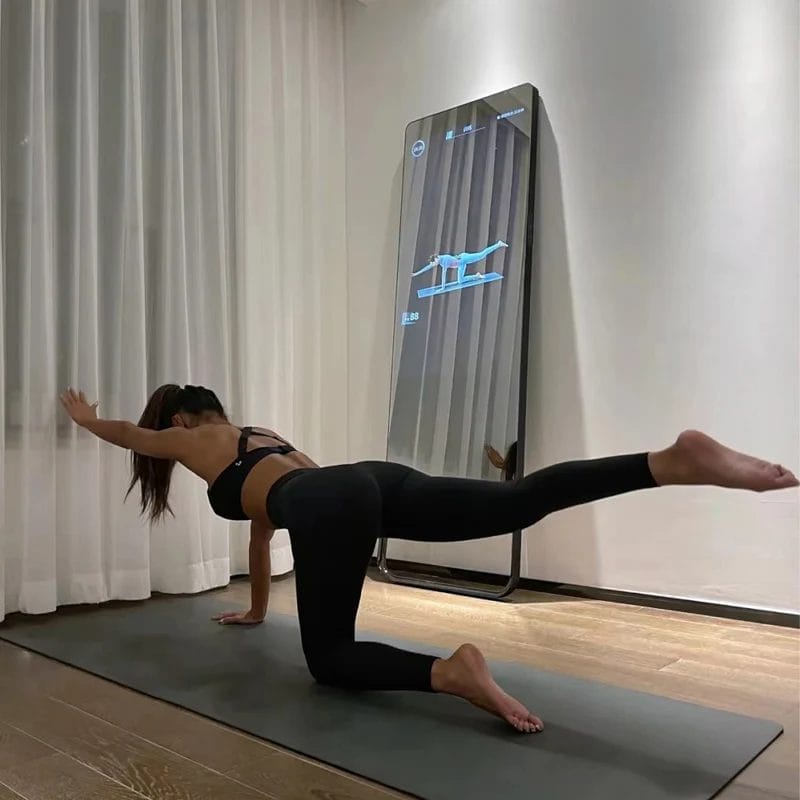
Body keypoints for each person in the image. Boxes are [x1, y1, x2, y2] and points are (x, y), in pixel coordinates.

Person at [59, 384, 798, 734]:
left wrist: (90, 421)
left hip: (329, 502)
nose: (170, 440)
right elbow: (266, 527)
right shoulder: (263, 437)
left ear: (184, 417)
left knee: (331, 661)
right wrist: (256, 608)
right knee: (516, 500)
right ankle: (666, 463)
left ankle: (452, 673)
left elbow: (134, 437)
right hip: (368, 479)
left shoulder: (193, 438)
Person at [413, 240, 508, 290]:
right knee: (460, 281)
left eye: (433, 263)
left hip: (464, 258)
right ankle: (477, 276)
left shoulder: (444, 260)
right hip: (460, 264)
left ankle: (498, 244)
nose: (433, 265)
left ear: (436, 258)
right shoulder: (438, 260)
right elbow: (427, 267)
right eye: (433, 264)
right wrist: (415, 274)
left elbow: (443, 275)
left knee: (481, 255)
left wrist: (442, 287)